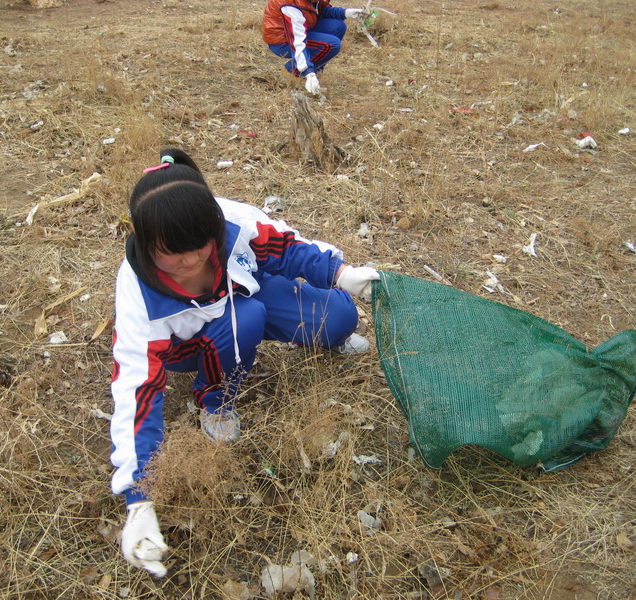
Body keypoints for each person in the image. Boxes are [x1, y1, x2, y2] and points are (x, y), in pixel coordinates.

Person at [111, 148, 380, 577]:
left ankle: (317, 323)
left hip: (244, 294)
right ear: (146, 243)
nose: (191, 260)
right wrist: (138, 496)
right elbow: (137, 391)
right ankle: (216, 401)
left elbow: (289, 249)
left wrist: (342, 273)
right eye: (173, 253)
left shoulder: (232, 222)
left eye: (201, 246)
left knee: (340, 317)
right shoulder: (137, 293)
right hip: (194, 345)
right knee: (244, 319)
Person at [263, 1, 364, 95]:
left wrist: (345, 13)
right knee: (332, 44)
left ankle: (316, 71)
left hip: (304, 29)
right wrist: (308, 71)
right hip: (282, 41)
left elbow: (321, 11)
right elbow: (297, 41)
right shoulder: (290, 6)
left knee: (338, 26)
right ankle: (291, 72)